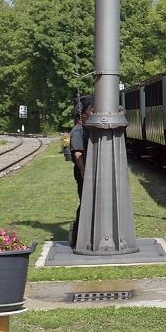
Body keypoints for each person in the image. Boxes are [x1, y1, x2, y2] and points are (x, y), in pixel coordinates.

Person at [69, 96, 92, 249]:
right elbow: (78, 153)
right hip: (83, 173)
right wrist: (84, 171)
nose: (93, 111)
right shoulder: (78, 131)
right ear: (82, 115)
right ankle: (78, 235)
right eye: (90, 109)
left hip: (89, 172)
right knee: (85, 203)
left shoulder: (88, 128)